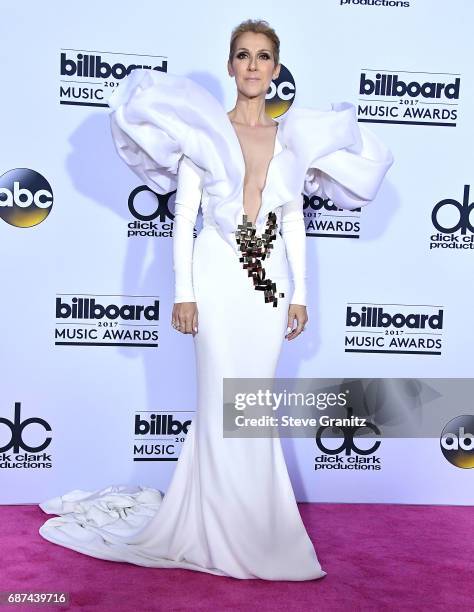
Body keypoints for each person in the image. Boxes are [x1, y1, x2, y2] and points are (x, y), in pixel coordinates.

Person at [38, 20, 393, 580]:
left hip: (270, 287)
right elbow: (183, 220)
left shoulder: (292, 140)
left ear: (276, 69)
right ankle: (220, 529)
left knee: (252, 407)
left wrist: (300, 294)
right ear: (231, 66)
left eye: (263, 57)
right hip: (216, 277)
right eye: (243, 56)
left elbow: (295, 220)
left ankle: (252, 525)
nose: (253, 65)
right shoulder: (201, 132)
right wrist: (183, 293)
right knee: (220, 403)